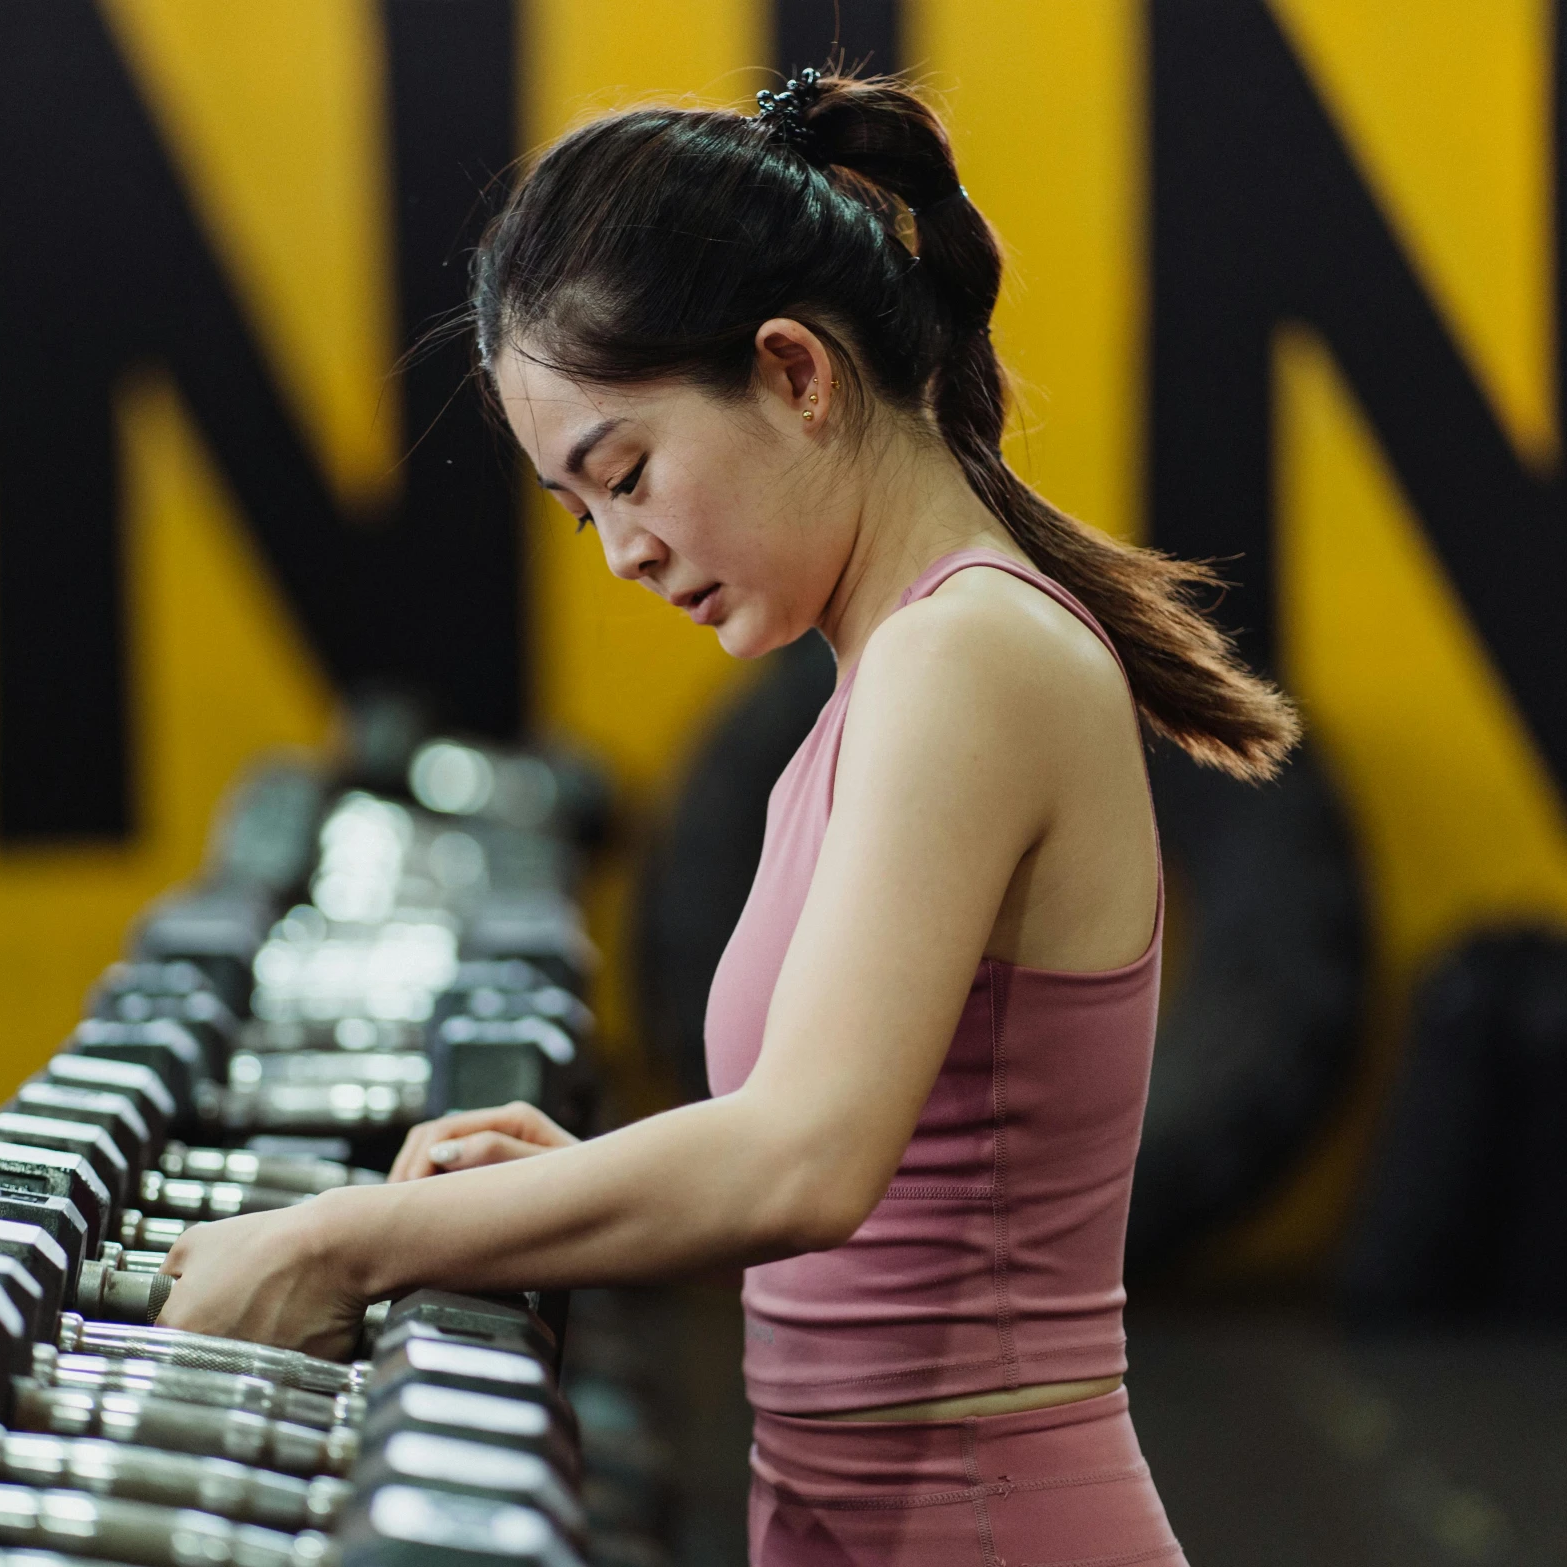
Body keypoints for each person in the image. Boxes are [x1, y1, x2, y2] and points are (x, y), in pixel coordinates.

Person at [157, 68, 1296, 1565]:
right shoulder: (875, 691)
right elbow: (833, 1150)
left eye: (624, 474)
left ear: (793, 372)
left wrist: (335, 1242)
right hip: (864, 1511)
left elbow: (804, 1160)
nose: (621, 552)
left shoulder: (968, 657)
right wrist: (557, 1181)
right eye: (583, 513)